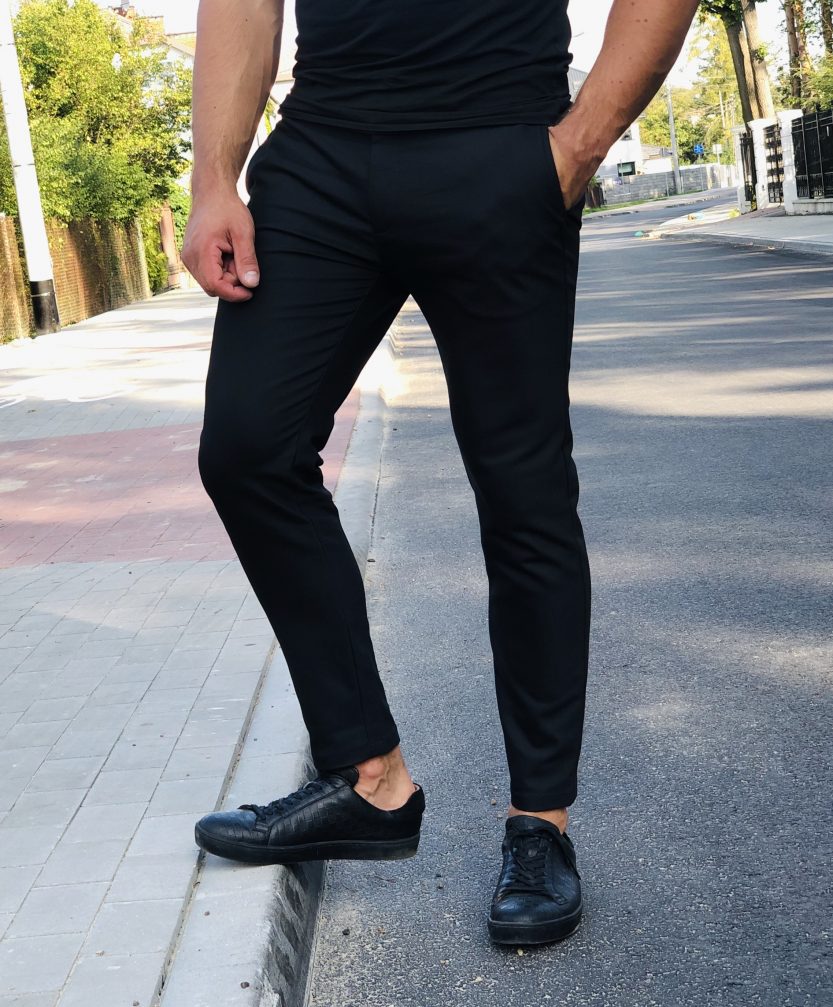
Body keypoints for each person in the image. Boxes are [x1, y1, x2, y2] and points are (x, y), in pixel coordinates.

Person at [186, 0, 699, 946]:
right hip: (321, 150)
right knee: (248, 449)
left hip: (500, 141)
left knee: (521, 487)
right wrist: (213, 178)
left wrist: (579, 144)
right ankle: (370, 779)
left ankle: (540, 823)